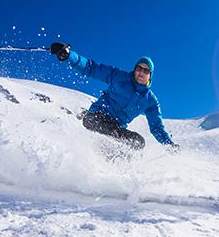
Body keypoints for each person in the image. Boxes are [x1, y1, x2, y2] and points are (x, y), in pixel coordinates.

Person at [51, 42, 179, 154]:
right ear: (134, 70)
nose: (141, 72)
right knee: (112, 133)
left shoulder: (150, 101)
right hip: (96, 117)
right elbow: (91, 68)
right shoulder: (119, 77)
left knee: (138, 142)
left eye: (146, 71)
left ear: (150, 76)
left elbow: (156, 126)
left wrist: (168, 145)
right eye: (139, 68)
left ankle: (115, 172)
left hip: (117, 128)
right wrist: (69, 55)